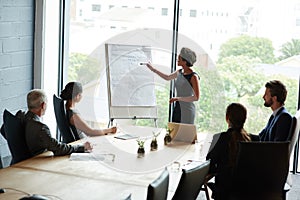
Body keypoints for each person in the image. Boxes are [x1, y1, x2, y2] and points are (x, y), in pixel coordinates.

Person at [24, 89, 92, 156]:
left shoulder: (23, 118)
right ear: (43, 105)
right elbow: (58, 149)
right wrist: (81, 148)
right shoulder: (40, 128)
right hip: (38, 161)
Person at [206, 103, 251, 199]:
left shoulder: (219, 138)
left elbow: (209, 165)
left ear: (227, 118)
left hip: (224, 193)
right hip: (247, 192)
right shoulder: (253, 139)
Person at [146, 47, 200, 124]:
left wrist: (178, 98)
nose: (177, 59)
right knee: (175, 131)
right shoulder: (179, 72)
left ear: (185, 61)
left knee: (184, 134)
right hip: (178, 108)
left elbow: (196, 97)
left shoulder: (193, 76)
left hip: (187, 110)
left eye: (179, 58)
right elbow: (167, 77)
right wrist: (152, 69)